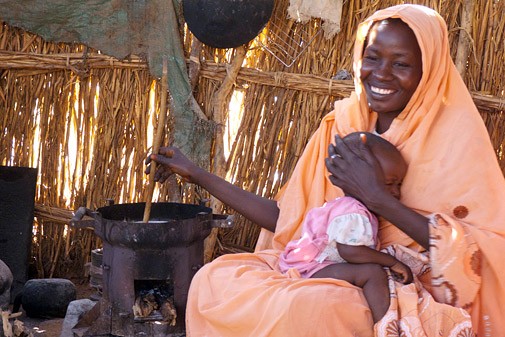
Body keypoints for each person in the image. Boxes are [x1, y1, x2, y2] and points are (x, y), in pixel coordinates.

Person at [145, 4, 505, 336]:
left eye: (402, 63)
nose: (381, 74)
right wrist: (196, 173)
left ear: (429, 70)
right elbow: (292, 219)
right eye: (372, 57)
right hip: (326, 267)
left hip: (397, 284)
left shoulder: (456, 139)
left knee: (312, 307)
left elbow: (486, 253)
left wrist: (379, 199)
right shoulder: (341, 126)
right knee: (214, 278)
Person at [279, 132, 413, 324]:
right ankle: (384, 326)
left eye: (399, 184)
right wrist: (391, 262)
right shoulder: (354, 212)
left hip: (306, 265)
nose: (396, 192)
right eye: (389, 183)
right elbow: (350, 251)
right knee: (373, 273)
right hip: (311, 269)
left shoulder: (345, 206)